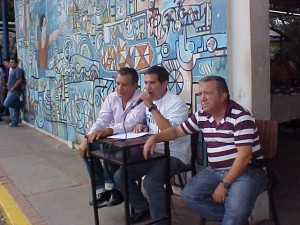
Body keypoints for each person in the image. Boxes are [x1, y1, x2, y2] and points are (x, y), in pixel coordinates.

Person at [143, 76, 268, 225]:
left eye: (207, 93)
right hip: (216, 170)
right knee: (189, 196)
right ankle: (234, 219)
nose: (202, 98)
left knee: (235, 211)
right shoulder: (202, 116)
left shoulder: (240, 117)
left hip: (247, 171)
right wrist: (155, 138)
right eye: (200, 94)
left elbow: (244, 156)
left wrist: (225, 184)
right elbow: (176, 131)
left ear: (223, 96)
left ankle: (234, 218)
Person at [114, 65, 191, 224]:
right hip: (153, 152)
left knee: (151, 182)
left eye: (153, 83)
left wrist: (151, 106)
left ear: (164, 84)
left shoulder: (176, 103)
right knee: (120, 175)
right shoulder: (150, 104)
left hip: (175, 154)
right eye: (146, 82)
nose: (148, 87)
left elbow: (168, 131)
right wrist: (144, 126)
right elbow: (153, 126)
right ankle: (143, 207)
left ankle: (161, 221)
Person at [78, 67, 146, 207]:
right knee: (89, 147)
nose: (120, 88)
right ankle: (102, 190)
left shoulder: (141, 99)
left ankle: (113, 189)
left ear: (135, 85)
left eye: (124, 84)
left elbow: (131, 123)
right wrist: (87, 138)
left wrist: (109, 130)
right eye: (118, 83)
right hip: (116, 143)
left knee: (106, 147)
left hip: (134, 146)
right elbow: (102, 120)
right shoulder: (112, 97)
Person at [3, 58, 25, 127]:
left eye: (12, 62)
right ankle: (14, 123)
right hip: (11, 91)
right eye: (10, 62)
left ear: (16, 63)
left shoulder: (17, 70)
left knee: (6, 104)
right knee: (14, 108)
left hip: (15, 91)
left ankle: (20, 105)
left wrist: (13, 87)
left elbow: (19, 80)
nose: (11, 63)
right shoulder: (12, 70)